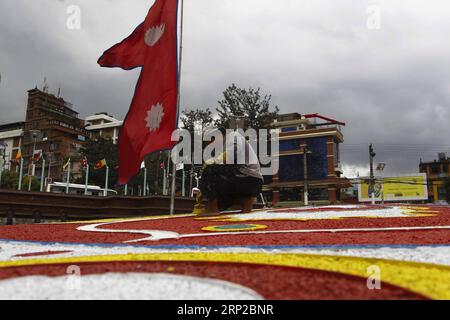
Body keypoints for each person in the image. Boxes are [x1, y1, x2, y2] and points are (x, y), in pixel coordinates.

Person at [198, 124, 263, 217]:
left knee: (210, 169)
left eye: (210, 141)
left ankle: (213, 209)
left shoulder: (233, 136)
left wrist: (214, 162)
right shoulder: (221, 147)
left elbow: (234, 151)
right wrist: (205, 189)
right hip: (246, 181)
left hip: (249, 179)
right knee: (219, 202)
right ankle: (246, 201)